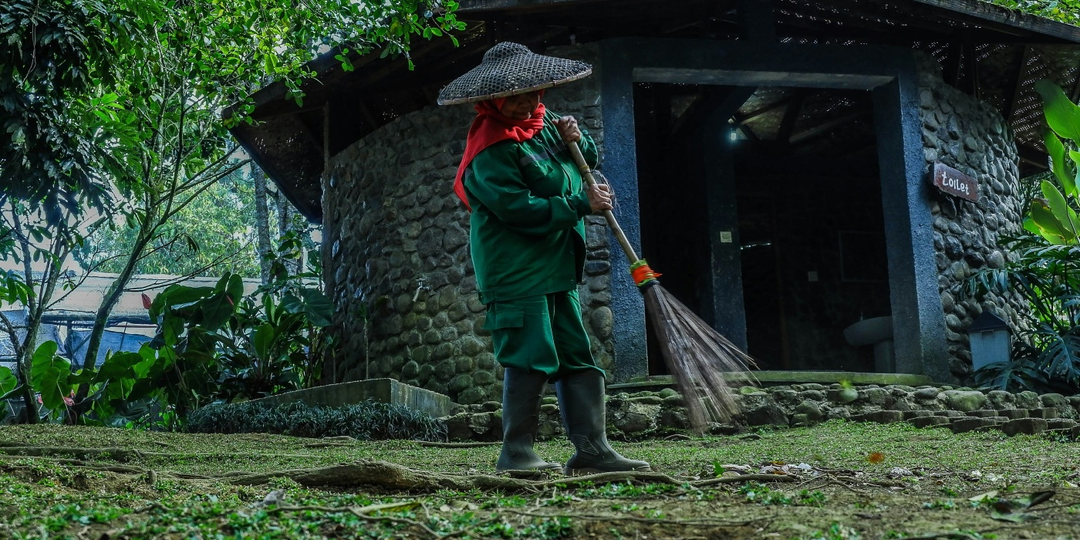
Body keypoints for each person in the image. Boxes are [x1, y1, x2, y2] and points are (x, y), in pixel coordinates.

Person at [438, 42, 650, 475]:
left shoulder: (545, 121)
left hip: (556, 264)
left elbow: (583, 159)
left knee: (576, 355)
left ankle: (593, 451)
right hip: (516, 269)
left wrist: (578, 137)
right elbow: (516, 208)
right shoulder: (490, 148)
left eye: (533, 93)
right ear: (492, 100)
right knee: (531, 356)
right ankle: (517, 454)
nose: (526, 103)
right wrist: (580, 204)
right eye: (514, 97)